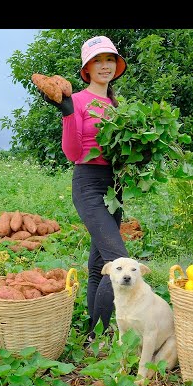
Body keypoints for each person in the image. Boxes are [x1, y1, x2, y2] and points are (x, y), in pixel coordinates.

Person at [40, 35, 129, 343]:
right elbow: (73, 152)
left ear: (116, 67)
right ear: (87, 69)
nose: (104, 66)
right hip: (88, 184)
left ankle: (92, 326)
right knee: (118, 262)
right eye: (97, 61)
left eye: (110, 60)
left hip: (114, 187)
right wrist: (67, 111)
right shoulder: (77, 100)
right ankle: (100, 336)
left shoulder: (118, 106)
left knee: (98, 265)